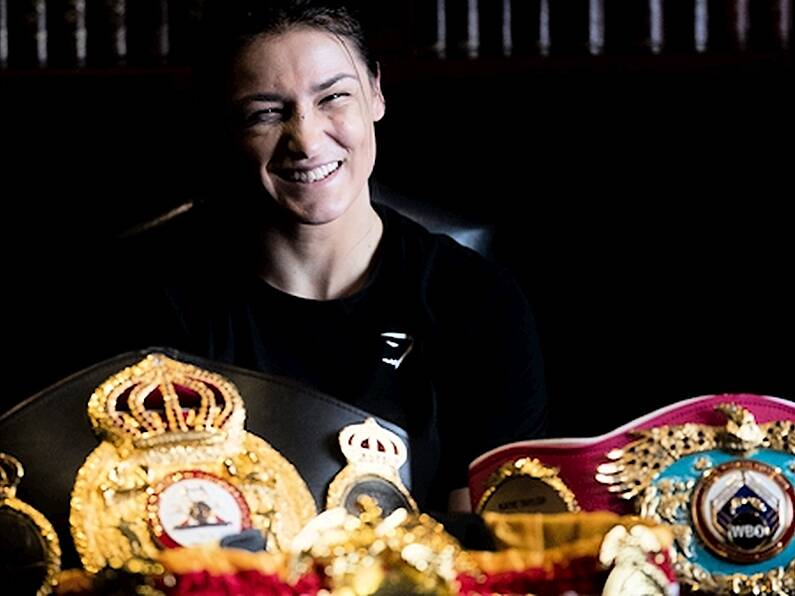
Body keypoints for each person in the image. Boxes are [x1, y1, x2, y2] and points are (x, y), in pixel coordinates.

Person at [100, 0, 547, 512]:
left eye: (333, 97)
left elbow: (491, 540)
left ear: (376, 92)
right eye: (265, 112)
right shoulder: (156, 305)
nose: (306, 140)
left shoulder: (477, 302)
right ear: (226, 125)